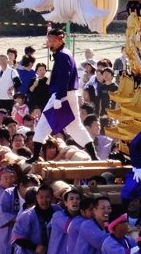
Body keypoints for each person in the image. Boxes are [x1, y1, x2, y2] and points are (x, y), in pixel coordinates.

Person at [30, 28, 97, 161]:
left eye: (52, 41)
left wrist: (59, 97)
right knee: (75, 126)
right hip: (68, 94)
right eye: (49, 40)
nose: (49, 43)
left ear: (60, 40)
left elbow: (63, 77)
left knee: (43, 123)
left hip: (62, 95)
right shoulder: (64, 54)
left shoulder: (62, 55)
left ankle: (35, 156)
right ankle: (94, 156)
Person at [12, 183, 55, 254]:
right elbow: (17, 237)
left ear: (52, 197)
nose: (44, 200)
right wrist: (35, 247)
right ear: (36, 197)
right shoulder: (27, 215)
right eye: (41, 197)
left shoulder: (58, 212)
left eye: (47, 197)